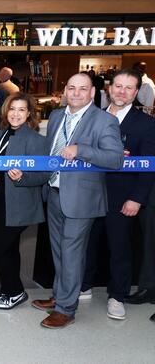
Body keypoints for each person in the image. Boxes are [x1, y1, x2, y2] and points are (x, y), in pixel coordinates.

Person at [32, 73, 124, 329]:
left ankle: (66, 309)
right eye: (71, 88)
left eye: (82, 89)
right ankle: (61, 295)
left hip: (81, 199)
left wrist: (80, 150)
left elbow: (115, 159)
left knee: (72, 253)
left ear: (92, 93)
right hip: (53, 192)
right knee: (58, 252)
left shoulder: (104, 120)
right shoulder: (57, 116)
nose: (75, 93)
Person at [81, 70, 155, 320]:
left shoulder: (146, 124)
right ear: (109, 89)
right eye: (118, 86)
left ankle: (118, 295)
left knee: (120, 248)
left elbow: (148, 167)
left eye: (129, 88)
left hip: (123, 197)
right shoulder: (92, 117)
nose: (122, 92)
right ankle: (84, 285)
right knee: (87, 244)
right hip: (89, 192)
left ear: (136, 93)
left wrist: (137, 198)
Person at [0, 92, 49, 310]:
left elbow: (44, 174)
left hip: (20, 205)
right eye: (12, 109)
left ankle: (15, 291)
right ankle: (8, 291)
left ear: (29, 113)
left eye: (21, 110)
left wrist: (23, 177)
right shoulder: (1, 134)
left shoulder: (36, 140)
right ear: (6, 111)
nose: (16, 114)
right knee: (8, 249)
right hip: (0, 201)